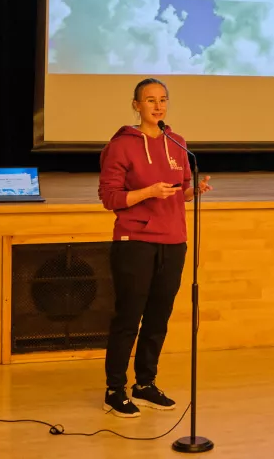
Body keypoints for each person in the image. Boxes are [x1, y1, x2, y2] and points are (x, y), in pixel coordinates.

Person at [97, 77, 212, 418]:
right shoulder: (121, 145)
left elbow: (181, 190)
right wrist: (148, 192)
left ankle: (145, 384)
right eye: (150, 100)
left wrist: (194, 191)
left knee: (158, 318)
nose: (158, 106)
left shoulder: (177, 143)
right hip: (135, 241)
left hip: (173, 241)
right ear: (136, 105)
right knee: (128, 317)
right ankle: (114, 390)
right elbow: (110, 198)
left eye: (163, 99)